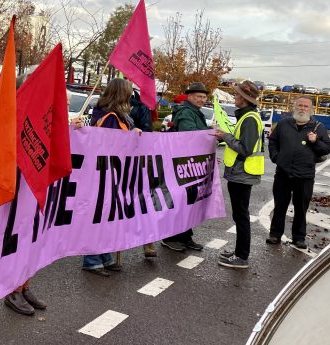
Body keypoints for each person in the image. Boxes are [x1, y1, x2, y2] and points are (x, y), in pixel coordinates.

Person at [2, 73, 85, 316]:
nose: (65, 107)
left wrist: (73, 129)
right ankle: (13, 289)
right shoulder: (17, 114)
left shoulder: (43, 114)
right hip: (20, 186)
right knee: (19, 238)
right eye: (63, 102)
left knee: (33, 238)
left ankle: (25, 284)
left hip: (36, 187)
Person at [82, 78, 156, 276]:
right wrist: (133, 135)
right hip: (106, 171)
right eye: (129, 91)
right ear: (121, 94)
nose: (132, 94)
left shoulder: (111, 113)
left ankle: (104, 256)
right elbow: (112, 144)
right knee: (102, 215)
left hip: (111, 171)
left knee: (110, 215)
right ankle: (92, 259)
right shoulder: (111, 116)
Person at [266, 96, 330, 249]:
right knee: (280, 205)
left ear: (311, 109)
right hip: (283, 173)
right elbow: (273, 141)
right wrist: (276, 157)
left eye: (305, 106)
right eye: (300, 105)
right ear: (294, 107)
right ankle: (275, 235)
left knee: (301, 208)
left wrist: (315, 141)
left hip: (305, 175)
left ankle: (299, 238)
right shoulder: (283, 124)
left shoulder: (318, 127)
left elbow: (327, 148)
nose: (302, 108)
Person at [215, 81, 264, 269]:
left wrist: (225, 137)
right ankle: (239, 252)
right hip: (241, 173)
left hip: (243, 173)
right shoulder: (248, 116)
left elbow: (245, 149)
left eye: (236, 95)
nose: (234, 97)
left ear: (244, 99)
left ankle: (242, 257)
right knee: (239, 214)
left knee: (241, 215)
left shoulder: (250, 118)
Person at [161, 82, 208, 252]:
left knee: (189, 201)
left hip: (191, 164)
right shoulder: (186, 112)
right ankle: (170, 237)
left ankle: (185, 236)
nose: (202, 100)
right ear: (189, 96)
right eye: (199, 96)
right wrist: (210, 135)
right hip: (183, 165)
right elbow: (191, 136)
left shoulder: (195, 112)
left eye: (204, 97)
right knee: (181, 201)